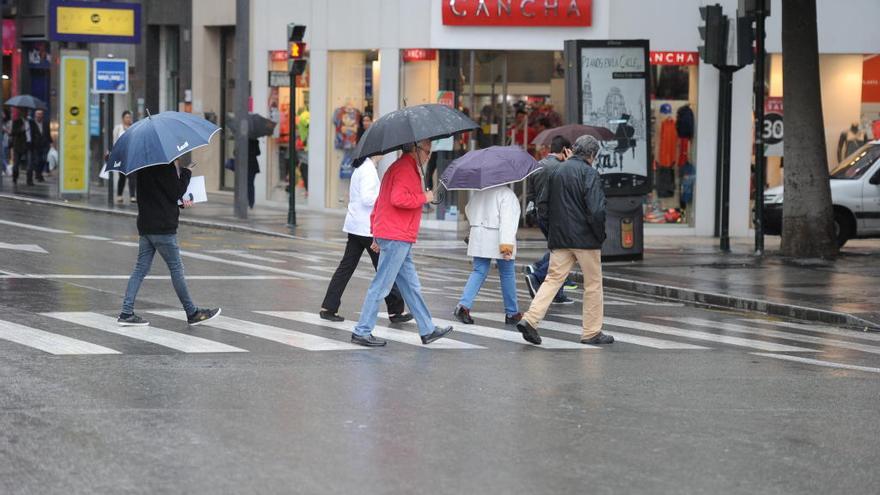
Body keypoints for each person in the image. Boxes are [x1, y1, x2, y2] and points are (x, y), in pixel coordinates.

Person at [351, 140, 454, 347]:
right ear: (415, 150)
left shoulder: (398, 168)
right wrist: (424, 196)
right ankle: (362, 331)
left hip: (396, 235)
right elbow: (399, 199)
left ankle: (427, 329)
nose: (428, 155)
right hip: (396, 235)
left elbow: (382, 201)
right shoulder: (405, 169)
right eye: (427, 151)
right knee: (381, 285)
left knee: (411, 286)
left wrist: (376, 232)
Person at [516, 135, 613, 346]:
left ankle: (530, 319)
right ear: (592, 155)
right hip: (585, 239)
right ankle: (591, 332)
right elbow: (596, 211)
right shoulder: (590, 173)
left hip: (560, 237)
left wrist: (551, 232)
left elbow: (543, 205)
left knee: (552, 279)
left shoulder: (557, 170)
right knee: (593, 284)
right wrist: (600, 235)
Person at [117, 160, 220, 327]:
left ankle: (126, 312)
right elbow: (175, 192)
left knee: (140, 269)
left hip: (146, 226)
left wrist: (182, 202)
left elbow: (160, 195)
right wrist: (186, 172)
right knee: (176, 269)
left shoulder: (142, 167)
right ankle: (192, 312)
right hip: (163, 227)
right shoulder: (166, 166)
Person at [319, 154, 413, 324]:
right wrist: (386, 197)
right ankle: (395, 311)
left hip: (355, 226)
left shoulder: (361, 168)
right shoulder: (368, 169)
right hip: (367, 229)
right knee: (385, 269)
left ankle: (329, 306)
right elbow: (368, 198)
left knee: (346, 267)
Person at [454, 184, 521, 326]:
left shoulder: (480, 192)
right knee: (507, 273)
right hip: (498, 237)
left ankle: (463, 306)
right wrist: (507, 246)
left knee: (479, 271)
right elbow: (508, 222)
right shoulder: (507, 194)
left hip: (479, 236)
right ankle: (512, 313)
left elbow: (468, 209)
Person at [524, 135, 575, 305]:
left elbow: (531, 194)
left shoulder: (538, 165)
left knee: (557, 250)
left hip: (541, 214)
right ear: (565, 150)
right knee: (562, 251)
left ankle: (556, 291)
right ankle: (538, 272)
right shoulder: (563, 167)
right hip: (558, 215)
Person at [11, 109, 39, 185]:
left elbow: (36, 132)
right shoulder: (16, 122)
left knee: (30, 163)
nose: (26, 114)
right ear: (21, 113)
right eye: (24, 112)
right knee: (16, 164)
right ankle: (15, 177)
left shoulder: (31, 122)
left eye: (27, 112)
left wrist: (35, 141)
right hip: (18, 146)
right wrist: (21, 129)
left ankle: (29, 180)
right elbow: (13, 133)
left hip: (29, 145)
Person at [114, 111, 136, 203]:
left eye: (129, 117)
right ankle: (119, 195)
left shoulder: (134, 127)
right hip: (121, 155)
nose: (128, 119)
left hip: (131, 155)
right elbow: (114, 141)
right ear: (123, 118)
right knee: (122, 176)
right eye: (127, 117)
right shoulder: (118, 128)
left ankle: (132, 196)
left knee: (132, 176)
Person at [32, 109, 52, 177]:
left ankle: (39, 173)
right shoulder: (32, 123)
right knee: (37, 160)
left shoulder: (46, 123)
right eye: (38, 114)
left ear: (42, 115)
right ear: (35, 115)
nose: (39, 116)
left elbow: (48, 133)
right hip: (36, 145)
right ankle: (38, 174)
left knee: (44, 159)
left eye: (40, 114)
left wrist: (51, 142)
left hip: (45, 144)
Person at [247, 138, 260, 208]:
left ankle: (250, 202)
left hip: (249, 165)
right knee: (250, 184)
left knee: (249, 184)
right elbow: (258, 152)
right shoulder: (255, 141)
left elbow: (235, 152)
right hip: (252, 165)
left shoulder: (254, 141)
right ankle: (250, 202)